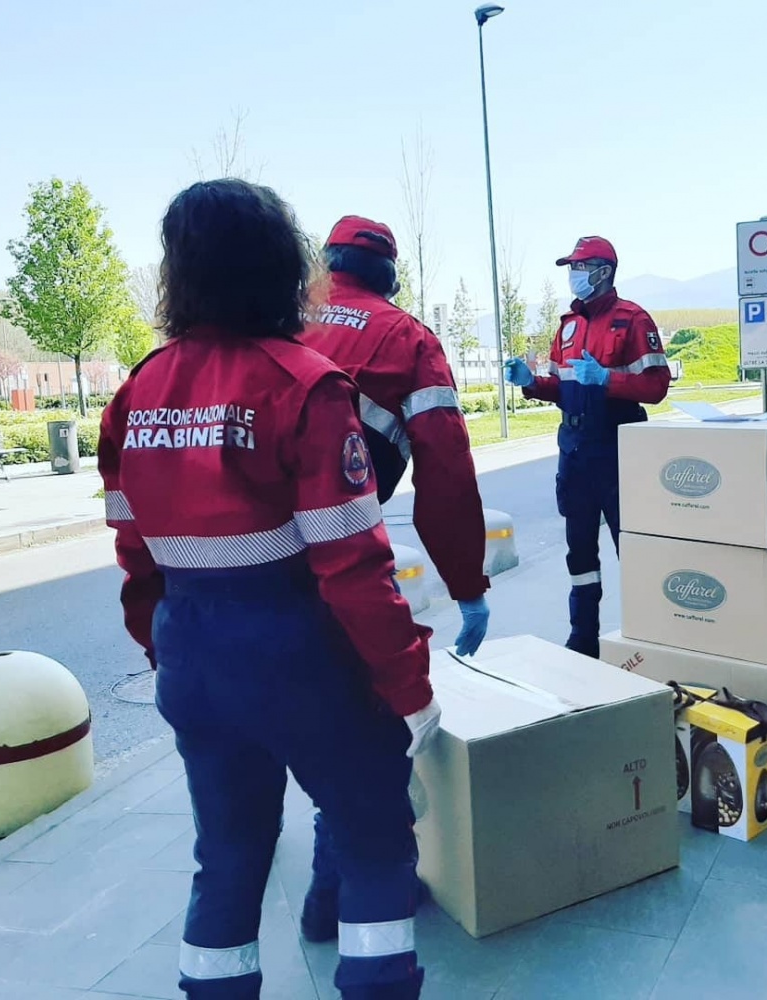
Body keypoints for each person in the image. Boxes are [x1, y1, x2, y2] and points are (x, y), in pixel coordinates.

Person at [98, 179, 436, 1000]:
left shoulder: (136, 394)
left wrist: (164, 649)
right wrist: (410, 687)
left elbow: (134, 554)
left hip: (193, 658)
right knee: (373, 844)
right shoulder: (306, 385)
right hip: (302, 657)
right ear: (284, 267)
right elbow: (353, 565)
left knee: (229, 854)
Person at [298, 215, 490, 942]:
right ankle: (338, 890)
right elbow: (447, 478)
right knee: (362, 722)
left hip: (239, 565)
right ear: (390, 276)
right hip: (338, 549)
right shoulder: (406, 339)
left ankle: (328, 874)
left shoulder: (280, 316)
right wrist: (467, 586)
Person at [504, 236, 670, 658]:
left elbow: (656, 386)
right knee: (579, 549)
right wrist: (531, 383)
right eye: (571, 268)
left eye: (580, 267)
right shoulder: (568, 326)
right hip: (574, 449)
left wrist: (609, 381)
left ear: (604, 271)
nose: (573, 276)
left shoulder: (632, 320)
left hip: (618, 447)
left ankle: (648, 636)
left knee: (630, 547)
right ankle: (583, 638)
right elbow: (562, 389)